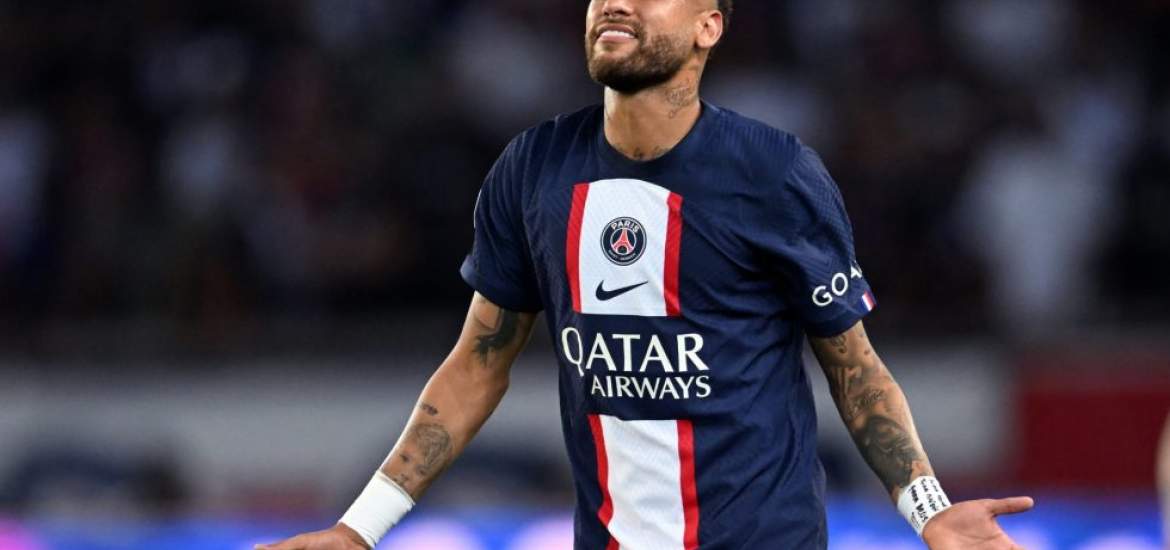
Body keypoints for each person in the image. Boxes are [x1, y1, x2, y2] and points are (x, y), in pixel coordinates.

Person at [257, 1, 1033, 548]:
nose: (614, 3)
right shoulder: (533, 170)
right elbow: (475, 367)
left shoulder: (774, 174)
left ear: (708, 27)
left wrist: (930, 510)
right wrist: (359, 529)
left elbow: (855, 370)